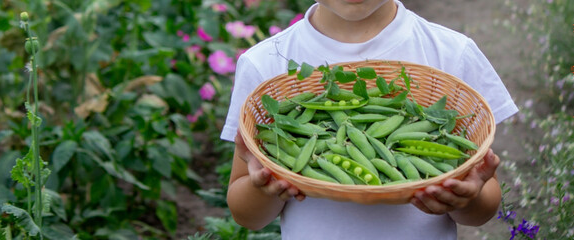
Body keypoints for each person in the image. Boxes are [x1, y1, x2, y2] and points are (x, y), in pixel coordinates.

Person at [220, 0, 519, 239]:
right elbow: (246, 215)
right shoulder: (266, 64)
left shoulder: (453, 55)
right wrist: (263, 187)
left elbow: (483, 207)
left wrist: (467, 199)